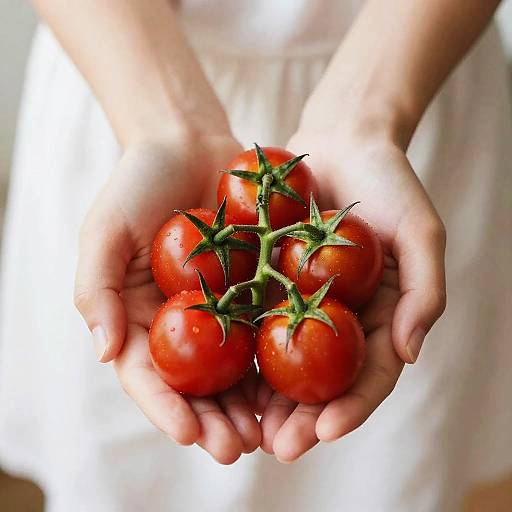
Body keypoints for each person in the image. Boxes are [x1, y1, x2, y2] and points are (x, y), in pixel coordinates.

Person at [0, 1, 511, 511]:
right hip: (121, 72)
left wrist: (368, 118)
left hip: (413, 66)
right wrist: (163, 127)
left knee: (386, 473)